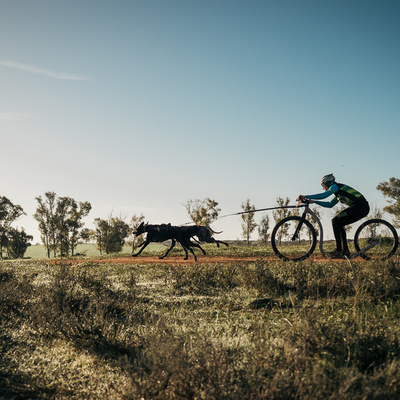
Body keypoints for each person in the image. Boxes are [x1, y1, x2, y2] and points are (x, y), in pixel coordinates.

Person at [297, 174, 370, 259]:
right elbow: (329, 204)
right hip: (361, 207)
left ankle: (339, 250)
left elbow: (323, 196)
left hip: (361, 206)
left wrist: (305, 196)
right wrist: (314, 201)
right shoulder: (338, 193)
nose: (323, 187)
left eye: (323, 185)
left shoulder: (335, 186)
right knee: (339, 223)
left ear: (328, 183)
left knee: (335, 221)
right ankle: (345, 250)